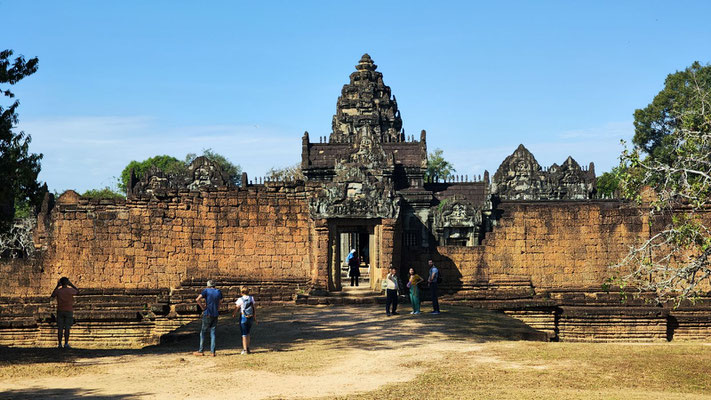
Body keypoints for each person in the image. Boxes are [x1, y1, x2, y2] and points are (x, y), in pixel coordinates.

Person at [194, 279, 222, 357]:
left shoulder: (206, 291)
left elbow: (197, 299)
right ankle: (212, 352)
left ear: (208, 285)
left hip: (207, 313)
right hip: (215, 314)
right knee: (213, 333)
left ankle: (201, 350)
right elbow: (220, 301)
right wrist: (217, 309)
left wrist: (202, 307)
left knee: (203, 332)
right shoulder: (218, 291)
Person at [50, 277, 79, 349]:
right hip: (69, 310)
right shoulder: (70, 290)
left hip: (60, 310)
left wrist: (57, 286)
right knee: (67, 328)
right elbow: (78, 291)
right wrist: (71, 284)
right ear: (67, 283)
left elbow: (52, 295)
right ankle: (66, 343)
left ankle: (59, 344)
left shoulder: (58, 291)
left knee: (60, 328)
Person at [232, 286, 257, 355]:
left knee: (244, 334)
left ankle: (245, 350)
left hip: (243, 317)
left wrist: (233, 314)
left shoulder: (240, 299)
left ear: (241, 292)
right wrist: (255, 316)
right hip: (250, 316)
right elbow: (254, 307)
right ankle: (248, 348)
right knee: (248, 333)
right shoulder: (251, 298)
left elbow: (237, 307)